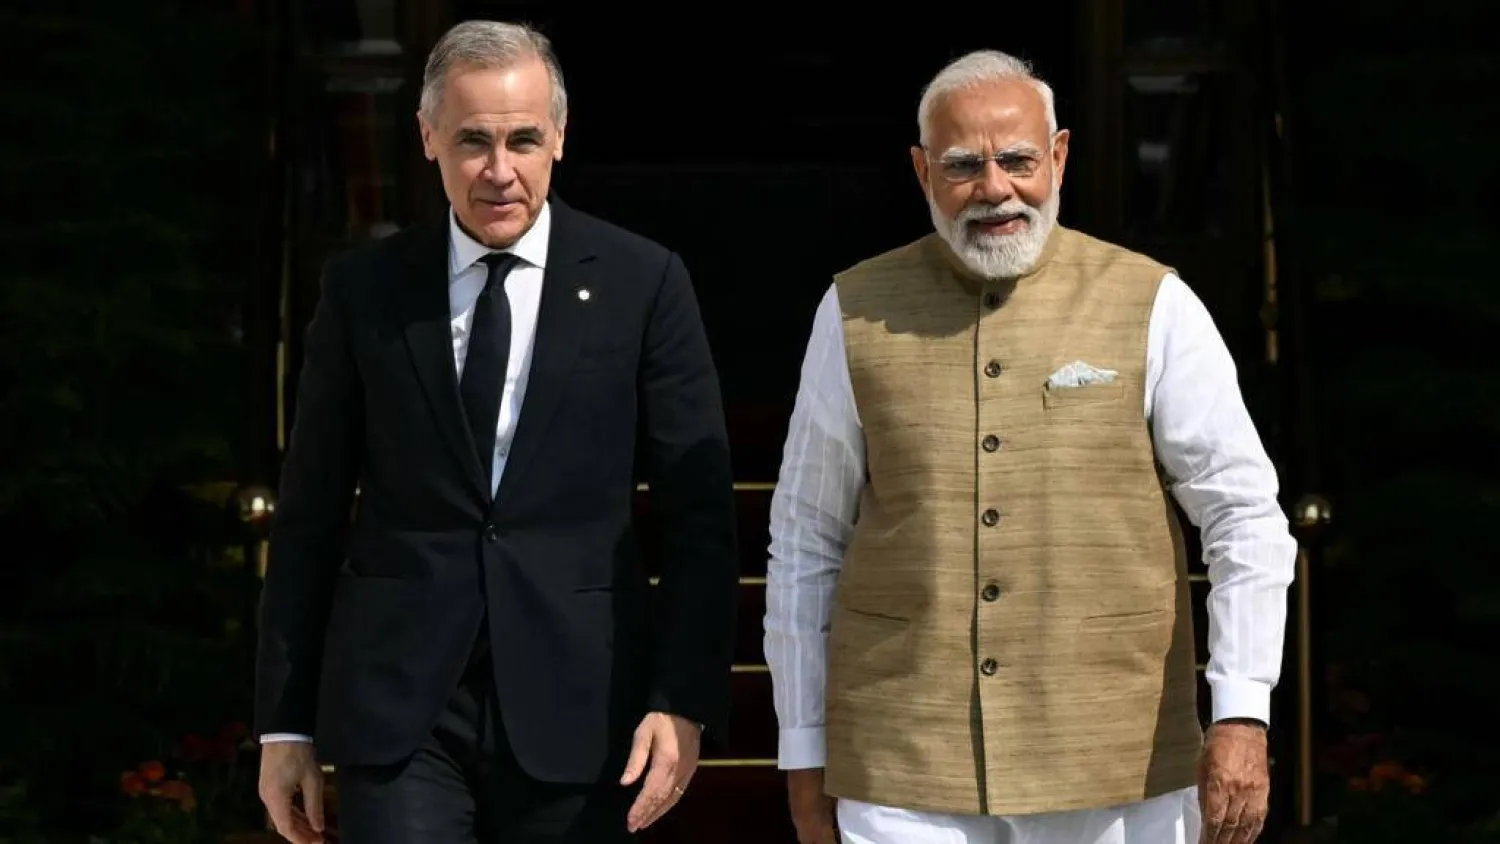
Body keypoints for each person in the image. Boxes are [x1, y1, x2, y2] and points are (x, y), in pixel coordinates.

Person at [763, 49, 1297, 844]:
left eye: (1017, 160)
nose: (994, 189)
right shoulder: (853, 310)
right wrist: (802, 752)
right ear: (920, 171)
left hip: (1117, 761)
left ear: (1059, 156)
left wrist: (1242, 710)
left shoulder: (1154, 301)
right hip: (905, 759)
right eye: (962, 165)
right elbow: (806, 539)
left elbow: (1244, 518)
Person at [254, 20, 739, 844]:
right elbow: (309, 515)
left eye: (522, 139)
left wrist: (681, 697)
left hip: (582, 705)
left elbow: (700, 518)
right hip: (402, 709)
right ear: (428, 136)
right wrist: (285, 725)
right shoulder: (365, 291)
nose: (500, 171)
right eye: (474, 141)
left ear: (558, 137)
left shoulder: (642, 282)